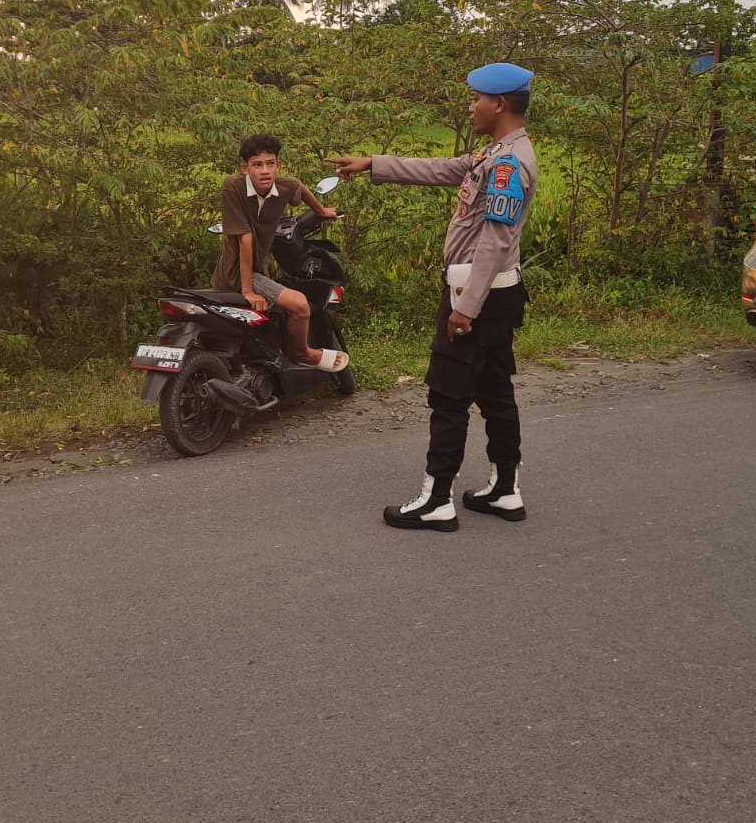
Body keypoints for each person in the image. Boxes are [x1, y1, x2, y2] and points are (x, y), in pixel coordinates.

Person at [330, 62, 537, 532]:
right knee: (495, 392)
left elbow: (496, 241)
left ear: (499, 103)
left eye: (476, 100)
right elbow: (444, 169)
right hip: (496, 295)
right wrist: (373, 165)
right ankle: (506, 490)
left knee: (448, 395)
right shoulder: (496, 153)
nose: (470, 108)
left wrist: (465, 308)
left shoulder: (508, 163)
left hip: (475, 295)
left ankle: (437, 499)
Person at [213, 134, 348, 372]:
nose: (265, 171)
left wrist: (321, 211)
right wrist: (247, 289)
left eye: (270, 163)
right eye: (257, 165)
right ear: (245, 169)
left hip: (256, 271)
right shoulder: (232, 187)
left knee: (282, 308)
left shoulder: (284, 187)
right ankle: (302, 353)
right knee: (300, 305)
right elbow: (245, 239)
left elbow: (298, 186)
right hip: (234, 274)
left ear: (278, 165)